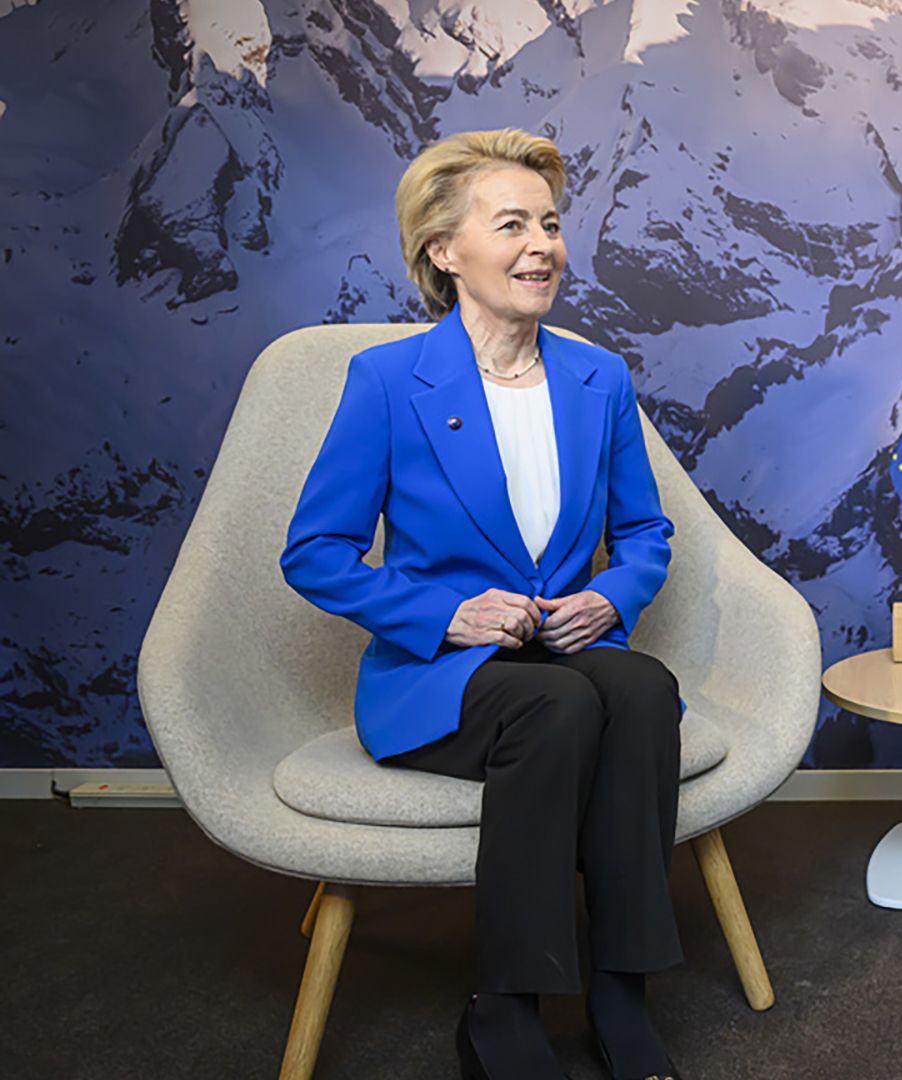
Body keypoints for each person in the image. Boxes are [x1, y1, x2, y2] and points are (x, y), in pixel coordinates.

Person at [281, 129, 683, 1080]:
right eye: (512, 225)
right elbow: (314, 553)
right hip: (438, 679)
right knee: (562, 702)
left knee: (641, 688)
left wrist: (606, 598)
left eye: (550, 223)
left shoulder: (600, 380)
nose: (543, 243)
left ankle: (623, 994)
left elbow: (648, 536)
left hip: (559, 657)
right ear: (444, 252)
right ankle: (504, 1008)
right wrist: (443, 616)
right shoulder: (389, 382)